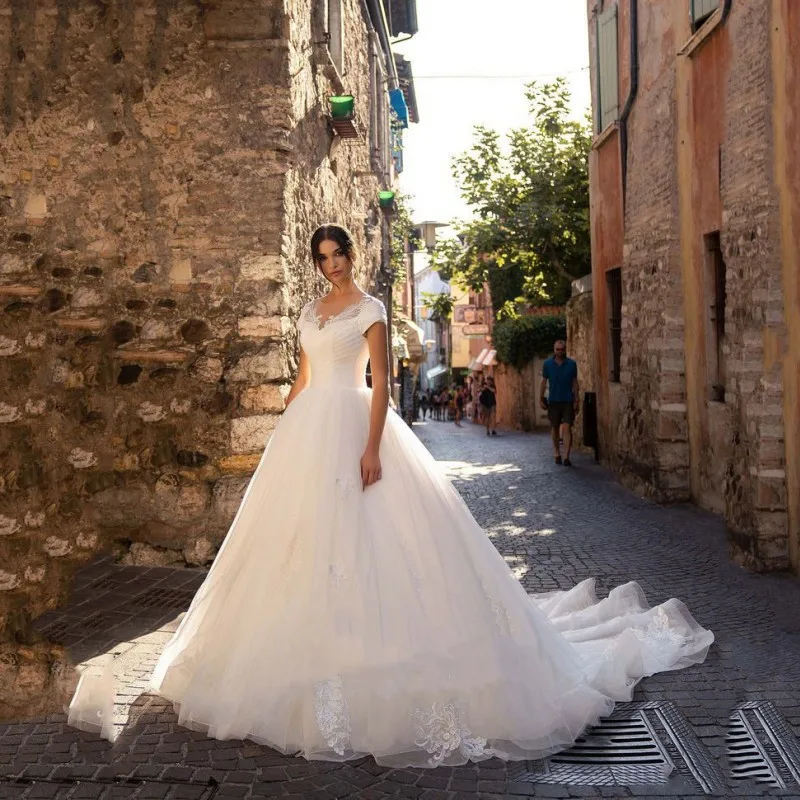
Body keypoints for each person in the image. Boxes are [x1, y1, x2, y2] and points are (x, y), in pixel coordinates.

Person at [70, 224, 713, 768]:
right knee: (296, 545)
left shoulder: (371, 309)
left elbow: (377, 386)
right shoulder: (307, 313)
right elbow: (303, 378)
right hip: (307, 431)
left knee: (378, 538)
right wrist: (280, 431)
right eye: (321, 258)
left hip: (355, 424)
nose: (331, 265)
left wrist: (373, 447)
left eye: (338, 254)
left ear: (350, 254)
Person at [541, 340, 579, 467]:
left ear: (565, 350)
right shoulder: (547, 364)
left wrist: (577, 399)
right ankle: (557, 453)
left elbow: (574, 382)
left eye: (562, 349)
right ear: (554, 350)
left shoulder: (572, 364)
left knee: (567, 427)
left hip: (568, 400)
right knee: (555, 427)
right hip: (553, 401)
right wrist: (541, 398)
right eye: (557, 349)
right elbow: (543, 381)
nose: (560, 352)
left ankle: (566, 456)